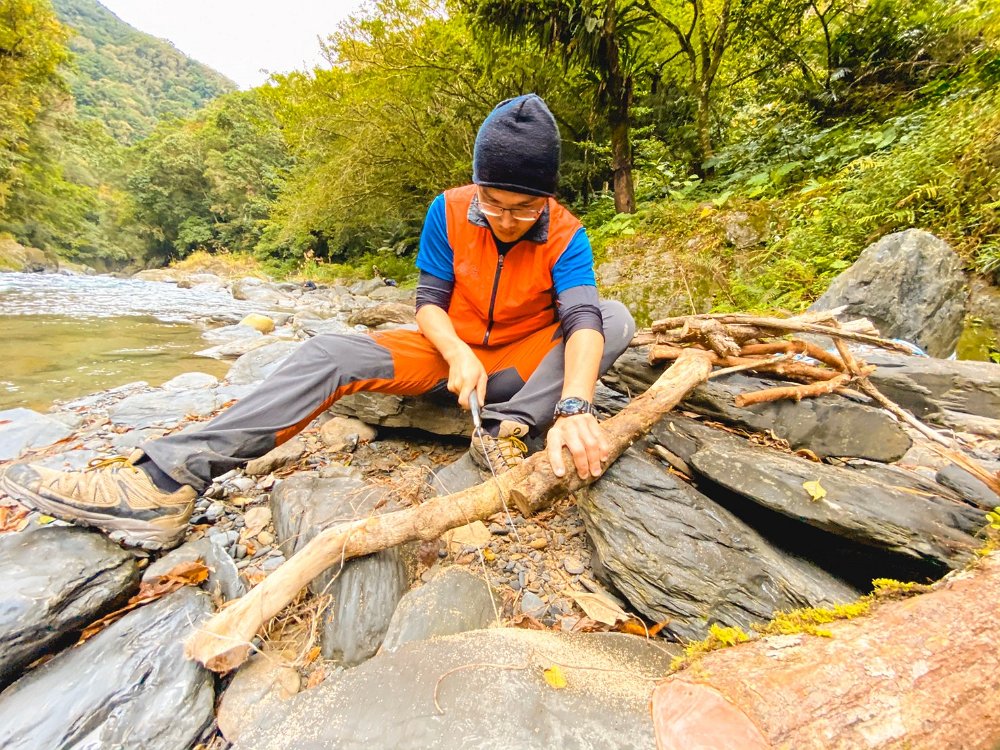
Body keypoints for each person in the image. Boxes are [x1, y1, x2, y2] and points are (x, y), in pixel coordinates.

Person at [0, 94, 636, 551]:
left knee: (614, 316)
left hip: (522, 366)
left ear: (547, 198)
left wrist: (575, 405)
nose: (505, 221)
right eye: (492, 204)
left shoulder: (567, 233)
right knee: (331, 351)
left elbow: (581, 317)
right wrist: (456, 351)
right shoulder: (447, 211)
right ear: (477, 186)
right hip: (447, 353)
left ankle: (506, 429)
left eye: (523, 210)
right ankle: (163, 482)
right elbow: (428, 301)